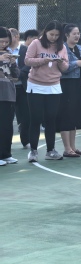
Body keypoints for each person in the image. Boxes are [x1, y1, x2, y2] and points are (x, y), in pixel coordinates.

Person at [24, 21, 69, 162]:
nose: (54, 37)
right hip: (35, 85)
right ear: (45, 32)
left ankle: (51, 150)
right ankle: (33, 151)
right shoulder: (36, 43)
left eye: (57, 35)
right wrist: (43, 60)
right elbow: (27, 61)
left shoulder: (62, 47)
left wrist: (61, 62)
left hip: (53, 86)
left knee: (51, 118)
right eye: (51, 34)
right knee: (36, 118)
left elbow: (65, 68)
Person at [57, 24, 81, 158]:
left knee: (75, 115)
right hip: (67, 84)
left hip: (80, 83)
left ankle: (73, 147)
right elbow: (62, 68)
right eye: (74, 33)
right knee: (66, 115)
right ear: (66, 35)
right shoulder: (62, 49)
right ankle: (67, 148)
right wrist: (75, 63)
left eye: (78, 33)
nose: (77, 36)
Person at [16, 29, 39, 149]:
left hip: (23, 86)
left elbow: (28, 65)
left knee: (26, 115)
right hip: (8, 87)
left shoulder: (28, 51)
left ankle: (25, 140)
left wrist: (18, 74)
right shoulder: (6, 50)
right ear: (28, 38)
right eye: (35, 39)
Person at [0, 27, 20, 166]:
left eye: (6, 42)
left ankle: (6, 154)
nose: (4, 44)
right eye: (1, 41)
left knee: (7, 126)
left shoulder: (9, 53)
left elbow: (16, 76)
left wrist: (13, 63)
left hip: (8, 94)